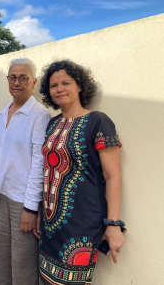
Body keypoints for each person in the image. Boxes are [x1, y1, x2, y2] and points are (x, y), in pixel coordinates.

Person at [37, 60, 125, 284]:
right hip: (50, 225)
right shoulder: (52, 124)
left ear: (80, 86)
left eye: (66, 83)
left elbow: (112, 176)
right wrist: (40, 212)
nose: (59, 89)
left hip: (82, 225)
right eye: (54, 85)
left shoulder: (98, 121)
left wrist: (113, 224)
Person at [0, 58, 51, 285]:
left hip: (23, 202)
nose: (17, 82)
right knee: (0, 261)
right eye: (12, 77)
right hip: (1, 197)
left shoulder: (39, 115)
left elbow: (39, 164)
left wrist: (31, 208)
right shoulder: (2, 114)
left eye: (23, 78)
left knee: (22, 262)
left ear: (33, 82)